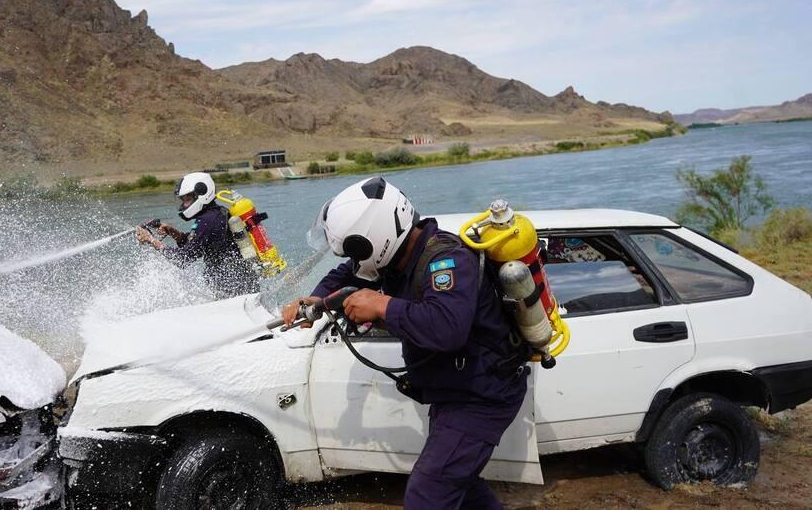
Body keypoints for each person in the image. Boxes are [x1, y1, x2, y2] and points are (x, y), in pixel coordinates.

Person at [282, 177, 528, 510]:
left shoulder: (447, 261)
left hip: (483, 393)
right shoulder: (398, 257)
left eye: (356, 250)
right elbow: (347, 274)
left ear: (376, 238)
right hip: (454, 388)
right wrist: (317, 299)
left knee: (427, 495)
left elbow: (447, 327)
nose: (355, 261)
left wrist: (382, 305)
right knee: (459, 483)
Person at [136, 172, 259, 299]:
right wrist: (172, 232)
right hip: (242, 285)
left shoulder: (208, 221)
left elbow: (181, 259)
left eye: (187, 200)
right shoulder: (217, 213)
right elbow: (196, 243)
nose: (184, 205)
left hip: (236, 291)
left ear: (202, 194)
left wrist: (151, 240)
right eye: (183, 201)